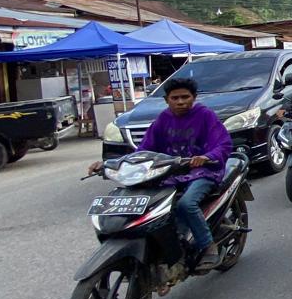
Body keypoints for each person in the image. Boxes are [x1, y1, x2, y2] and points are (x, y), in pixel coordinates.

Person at [88, 77, 232, 272]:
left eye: (185, 97)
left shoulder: (205, 116)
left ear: (194, 97)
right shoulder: (163, 120)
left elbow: (223, 144)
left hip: (203, 172)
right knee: (153, 206)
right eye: (175, 98)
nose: (180, 102)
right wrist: (109, 165)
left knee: (186, 204)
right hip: (170, 173)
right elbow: (142, 151)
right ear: (167, 100)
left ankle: (208, 245)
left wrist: (206, 157)